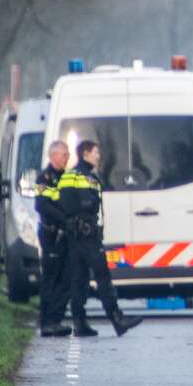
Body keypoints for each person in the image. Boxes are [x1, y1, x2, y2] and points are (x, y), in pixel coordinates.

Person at [58, 140, 143, 338]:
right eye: (96, 152)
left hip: (85, 235)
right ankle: (117, 319)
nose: (98, 156)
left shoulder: (91, 177)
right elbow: (70, 205)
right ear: (86, 153)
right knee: (102, 276)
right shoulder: (73, 176)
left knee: (79, 278)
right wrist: (86, 208)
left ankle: (80, 323)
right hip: (83, 235)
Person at [34, 141, 73, 338]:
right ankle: (46, 322)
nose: (67, 158)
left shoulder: (66, 177)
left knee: (66, 278)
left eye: (67, 155)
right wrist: (64, 218)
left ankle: (55, 320)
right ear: (53, 156)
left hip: (65, 234)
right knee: (50, 278)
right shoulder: (44, 178)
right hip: (51, 234)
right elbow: (41, 206)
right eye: (64, 154)